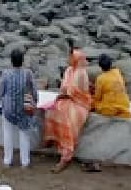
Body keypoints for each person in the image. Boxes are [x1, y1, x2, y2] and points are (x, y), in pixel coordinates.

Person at [43, 43, 92, 173]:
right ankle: (52, 140)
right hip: (67, 99)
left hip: (79, 103)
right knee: (52, 110)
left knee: (67, 117)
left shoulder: (82, 73)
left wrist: (66, 92)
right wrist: (63, 94)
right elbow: (64, 87)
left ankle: (66, 154)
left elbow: (79, 93)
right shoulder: (69, 70)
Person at [0, 48, 38, 168]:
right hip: (24, 109)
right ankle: (25, 162)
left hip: (8, 109)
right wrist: (35, 102)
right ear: (22, 61)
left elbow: (0, 92)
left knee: (7, 133)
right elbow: (34, 91)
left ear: (11, 61)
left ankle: (7, 160)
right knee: (24, 134)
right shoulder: (28, 74)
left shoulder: (6, 74)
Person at [92, 54, 131, 118]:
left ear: (100, 66)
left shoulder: (100, 78)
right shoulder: (117, 71)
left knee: (93, 103)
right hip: (124, 104)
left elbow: (98, 97)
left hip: (110, 108)